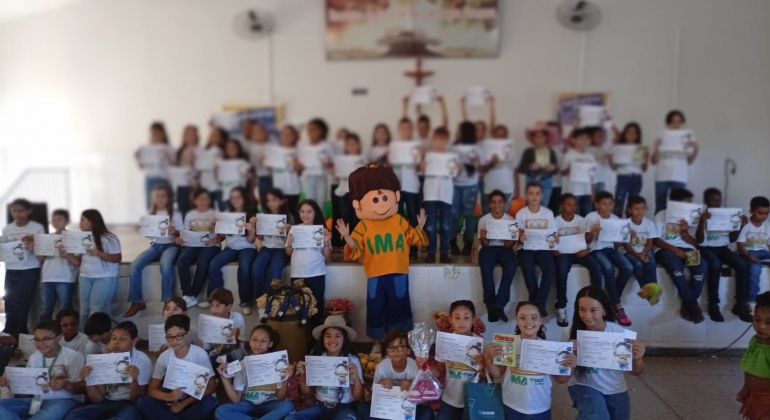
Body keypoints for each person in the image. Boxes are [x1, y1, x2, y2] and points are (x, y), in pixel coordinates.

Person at [336, 165, 427, 355]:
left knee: (399, 307)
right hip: (375, 275)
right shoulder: (364, 225)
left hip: (399, 272)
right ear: (358, 204)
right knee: (375, 308)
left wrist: (419, 226)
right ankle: (377, 343)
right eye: (375, 200)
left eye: (385, 198)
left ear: (396, 196)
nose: (381, 204)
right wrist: (346, 236)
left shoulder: (399, 221)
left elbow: (412, 237)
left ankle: (398, 343)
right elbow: (356, 247)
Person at [485, 301, 577, 419]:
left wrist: (571, 365)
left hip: (540, 407)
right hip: (511, 404)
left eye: (534, 317)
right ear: (517, 320)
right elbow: (497, 373)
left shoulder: (550, 348)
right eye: (523, 317)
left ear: (540, 320)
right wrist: (488, 356)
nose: (528, 321)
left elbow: (561, 379)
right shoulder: (508, 344)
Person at [566, 286, 646, 420]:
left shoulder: (618, 333)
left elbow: (636, 371)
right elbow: (563, 372)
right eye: (582, 309)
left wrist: (637, 359)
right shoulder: (571, 332)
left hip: (616, 388)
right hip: (583, 385)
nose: (587, 315)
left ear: (604, 310)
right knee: (597, 417)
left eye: (593, 310)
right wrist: (570, 358)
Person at [64, 321, 152, 420]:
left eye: (123, 339)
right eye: (113, 338)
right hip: (108, 402)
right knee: (74, 415)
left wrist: (134, 380)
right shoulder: (104, 359)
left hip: (130, 404)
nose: (116, 342)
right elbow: (97, 399)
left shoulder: (142, 360)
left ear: (134, 341)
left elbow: (137, 398)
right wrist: (88, 381)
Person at [0, 320, 85, 420]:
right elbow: (26, 392)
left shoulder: (74, 356)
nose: (40, 343)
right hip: (37, 400)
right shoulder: (34, 358)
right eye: (36, 339)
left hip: (64, 400)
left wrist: (66, 385)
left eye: (46, 339)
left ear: (58, 338)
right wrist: (11, 384)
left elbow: (82, 389)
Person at [137, 314, 217, 420]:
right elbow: (151, 390)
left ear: (187, 334)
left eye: (179, 335)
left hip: (194, 399)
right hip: (173, 396)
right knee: (143, 402)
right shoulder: (164, 357)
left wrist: (183, 404)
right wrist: (168, 396)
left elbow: (211, 387)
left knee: (210, 402)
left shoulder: (200, 354)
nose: (174, 341)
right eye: (170, 337)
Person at [416, 301, 482, 420]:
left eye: (466, 317)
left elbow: (487, 376)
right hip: (450, 399)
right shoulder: (445, 342)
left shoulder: (481, 344)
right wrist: (426, 366)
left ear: (473, 319)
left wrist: (482, 367)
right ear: (451, 320)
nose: (462, 321)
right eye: (457, 317)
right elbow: (439, 371)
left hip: (473, 398)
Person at [124, 185, 184, 317]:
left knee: (166, 265)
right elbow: (150, 235)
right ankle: (136, 301)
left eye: (163, 196)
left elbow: (182, 234)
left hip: (171, 245)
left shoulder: (176, 214)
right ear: (153, 199)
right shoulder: (150, 214)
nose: (160, 199)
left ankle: (168, 299)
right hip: (156, 245)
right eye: (157, 196)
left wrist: (175, 231)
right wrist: (142, 230)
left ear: (168, 198)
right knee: (135, 265)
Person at [288, 316, 363, 420]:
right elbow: (306, 393)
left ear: (344, 338)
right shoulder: (317, 357)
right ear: (322, 338)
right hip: (321, 405)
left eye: (338, 336)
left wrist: (356, 378)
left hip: (345, 407)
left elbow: (358, 397)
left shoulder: (352, 360)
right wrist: (303, 374)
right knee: (291, 418)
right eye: (328, 336)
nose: (332, 340)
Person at [214, 325, 295, 420]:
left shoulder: (277, 362)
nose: (258, 344)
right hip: (248, 405)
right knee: (221, 411)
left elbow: (281, 397)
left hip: (270, 405)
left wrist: (285, 379)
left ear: (270, 344)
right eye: (254, 340)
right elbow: (236, 399)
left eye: (263, 341)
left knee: (287, 406)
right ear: (250, 341)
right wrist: (223, 377)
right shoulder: (243, 364)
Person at [653, 188, 708, 323]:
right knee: (675, 266)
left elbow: (696, 242)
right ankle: (693, 305)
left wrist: (684, 232)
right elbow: (655, 240)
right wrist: (674, 249)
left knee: (702, 266)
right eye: (686, 203)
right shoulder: (661, 215)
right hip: (665, 249)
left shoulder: (693, 216)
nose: (689, 205)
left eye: (690, 202)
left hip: (687, 249)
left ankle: (688, 304)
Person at [698, 188, 752, 322]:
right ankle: (713, 305)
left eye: (719, 200)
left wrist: (739, 226)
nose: (717, 203)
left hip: (722, 248)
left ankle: (740, 304)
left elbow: (731, 239)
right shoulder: (699, 215)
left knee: (742, 265)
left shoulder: (726, 215)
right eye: (713, 200)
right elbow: (699, 240)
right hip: (705, 248)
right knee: (715, 265)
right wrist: (701, 222)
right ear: (706, 201)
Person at [356, 329, 434, 420]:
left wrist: (414, 388)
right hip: (387, 407)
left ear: (408, 350)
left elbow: (425, 402)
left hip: (408, 408)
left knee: (427, 413)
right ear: (386, 350)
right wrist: (380, 385)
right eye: (391, 347)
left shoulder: (415, 366)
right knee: (362, 408)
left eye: (400, 347)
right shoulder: (381, 367)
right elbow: (373, 398)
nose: (395, 351)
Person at [584, 191, 635, 326]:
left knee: (628, 267)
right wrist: (593, 233)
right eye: (604, 203)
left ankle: (611, 298)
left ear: (613, 204)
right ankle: (618, 306)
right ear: (597, 204)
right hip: (595, 249)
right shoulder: (591, 217)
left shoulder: (615, 219)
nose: (607, 206)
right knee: (608, 268)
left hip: (611, 249)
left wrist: (628, 237)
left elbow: (616, 243)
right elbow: (586, 240)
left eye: (610, 203)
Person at [553, 193, 603, 327]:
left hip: (580, 252)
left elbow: (587, 239)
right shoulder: (555, 221)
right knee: (562, 270)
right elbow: (549, 239)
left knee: (596, 268)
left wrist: (592, 236)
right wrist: (553, 250)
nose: (572, 207)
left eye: (575, 205)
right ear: (561, 206)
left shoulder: (582, 220)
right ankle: (561, 306)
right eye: (569, 204)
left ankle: (598, 301)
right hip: (563, 253)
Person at [208, 187, 258, 314]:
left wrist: (252, 230)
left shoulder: (251, 214)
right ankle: (215, 299)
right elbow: (222, 234)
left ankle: (245, 301)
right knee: (213, 264)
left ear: (244, 198)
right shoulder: (226, 214)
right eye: (232, 197)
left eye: (238, 197)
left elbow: (251, 240)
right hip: (230, 247)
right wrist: (214, 224)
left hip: (247, 247)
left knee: (244, 267)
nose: (235, 200)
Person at [2, 198, 45, 338]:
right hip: (11, 269)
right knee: (9, 302)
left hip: (29, 268)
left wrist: (33, 245)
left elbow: (44, 250)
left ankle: (11, 334)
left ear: (28, 211)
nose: (17, 214)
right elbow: (4, 249)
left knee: (22, 303)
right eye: (14, 211)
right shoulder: (7, 229)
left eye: (21, 211)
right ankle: (18, 335)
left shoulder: (37, 227)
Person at [287, 199, 332, 327]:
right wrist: (289, 242)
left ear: (315, 213)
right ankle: (301, 337)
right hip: (297, 273)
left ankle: (315, 337)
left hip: (316, 273)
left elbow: (328, 256)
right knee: (298, 309)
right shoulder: (295, 229)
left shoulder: (322, 230)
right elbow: (288, 253)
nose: (305, 215)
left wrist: (326, 242)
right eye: (302, 211)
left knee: (316, 309)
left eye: (309, 211)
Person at [74, 210, 122, 325]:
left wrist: (99, 253)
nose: (80, 223)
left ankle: (99, 334)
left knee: (97, 310)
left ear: (92, 222)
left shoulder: (109, 238)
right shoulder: (81, 238)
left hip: (104, 277)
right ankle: (84, 335)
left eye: (82, 220)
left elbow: (117, 258)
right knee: (84, 310)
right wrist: (66, 254)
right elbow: (77, 261)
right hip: (85, 276)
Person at [419, 127, 459, 263]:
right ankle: (431, 252)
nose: (440, 142)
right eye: (437, 139)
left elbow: (454, 174)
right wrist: (422, 165)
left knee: (445, 225)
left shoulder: (452, 157)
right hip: (430, 194)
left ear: (447, 141)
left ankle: (444, 252)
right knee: (430, 225)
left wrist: (457, 168)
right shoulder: (428, 156)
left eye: (443, 139)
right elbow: (422, 172)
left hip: (446, 194)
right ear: (433, 140)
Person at [516, 183, 557, 317]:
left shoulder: (548, 213)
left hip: (543, 248)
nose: (534, 197)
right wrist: (520, 237)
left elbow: (553, 234)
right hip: (525, 247)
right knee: (527, 269)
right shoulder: (521, 213)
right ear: (526, 196)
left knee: (550, 269)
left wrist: (554, 239)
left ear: (542, 196)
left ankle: (538, 303)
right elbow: (516, 234)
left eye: (537, 193)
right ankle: (538, 305)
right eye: (531, 193)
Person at [176, 188, 220, 309]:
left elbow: (221, 233)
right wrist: (181, 239)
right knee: (182, 261)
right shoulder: (190, 215)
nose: (204, 201)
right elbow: (186, 233)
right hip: (193, 244)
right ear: (194, 200)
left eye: (207, 198)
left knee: (203, 262)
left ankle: (194, 293)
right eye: (201, 199)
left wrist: (215, 227)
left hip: (211, 245)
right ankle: (187, 294)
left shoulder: (215, 213)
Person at [477, 190, 517, 323]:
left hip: (505, 248)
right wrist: (484, 237)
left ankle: (499, 304)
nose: (497, 205)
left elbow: (509, 245)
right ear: (489, 204)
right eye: (493, 202)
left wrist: (512, 238)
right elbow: (484, 244)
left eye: (500, 202)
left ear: (504, 204)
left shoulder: (511, 220)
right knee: (486, 267)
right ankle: (490, 304)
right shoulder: (484, 220)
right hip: (488, 248)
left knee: (511, 266)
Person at [651, 110, 699, 213]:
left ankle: (675, 224)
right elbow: (653, 161)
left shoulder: (687, 138)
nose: (676, 124)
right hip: (662, 176)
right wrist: (657, 147)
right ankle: (659, 223)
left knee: (678, 206)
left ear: (682, 123)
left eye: (679, 122)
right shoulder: (661, 136)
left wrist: (696, 148)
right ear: (668, 123)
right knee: (660, 205)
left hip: (679, 176)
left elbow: (689, 161)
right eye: (673, 122)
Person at [388, 118, 422, 261]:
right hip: (397, 188)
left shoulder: (416, 145)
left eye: (408, 128)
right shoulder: (394, 145)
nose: (405, 130)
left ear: (411, 129)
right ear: (399, 129)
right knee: (397, 218)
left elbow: (420, 166)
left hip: (412, 187)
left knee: (414, 217)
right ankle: (399, 246)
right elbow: (390, 166)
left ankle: (413, 248)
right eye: (403, 128)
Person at [251, 188, 294, 298]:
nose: (271, 203)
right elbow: (260, 237)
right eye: (268, 200)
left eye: (274, 200)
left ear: (281, 201)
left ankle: (268, 297)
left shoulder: (288, 217)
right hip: (266, 247)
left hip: (281, 249)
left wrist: (289, 230)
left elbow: (292, 240)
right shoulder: (263, 216)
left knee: (275, 270)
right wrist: (255, 227)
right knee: (256, 267)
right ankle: (258, 297)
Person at [621, 195, 663, 306]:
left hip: (644, 250)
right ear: (629, 210)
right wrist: (638, 255)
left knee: (651, 262)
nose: (639, 211)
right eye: (636, 208)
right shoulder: (625, 224)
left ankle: (652, 290)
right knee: (638, 265)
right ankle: (647, 290)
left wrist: (643, 253)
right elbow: (626, 245)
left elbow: (650, 243)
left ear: (646, 209)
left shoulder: (649, 223)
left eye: (642, 208)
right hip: (629, 252)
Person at [39, 209, 78, 321]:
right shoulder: (47, 237)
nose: (56, 222)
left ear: (67, 221)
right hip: (47, 278)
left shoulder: (73, 237)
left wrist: (67, 255)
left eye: (59, 219)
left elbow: (77, 262)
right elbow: (42, 259)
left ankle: (65, 331)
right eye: (54, 220)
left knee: (66, 310)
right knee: (46, 309)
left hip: (65, 278)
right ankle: (45, 331)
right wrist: (36, 250)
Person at [736, 291, 770, 420]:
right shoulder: (755, 341)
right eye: (757, 320)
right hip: (754, 395)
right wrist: (747, 388)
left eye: (768, 322)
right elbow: (751, 369)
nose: (761, 326)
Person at [449, 121, 481, 256]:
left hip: (470, 185)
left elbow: (480, 166)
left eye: (459, 130)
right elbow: (448, 165)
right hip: (455, 185)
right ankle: (452, 241)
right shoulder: (453, 147)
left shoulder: (476, 148)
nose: (456, 132)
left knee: (469, 215)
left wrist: (472, 163)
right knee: (453, 214)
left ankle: (468, 242)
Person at [332, 132, 366, 247]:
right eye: (349, 144)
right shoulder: (340, 159)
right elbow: (336, 175)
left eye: (354, 144)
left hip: (357, 193)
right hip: (343, 192)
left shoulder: (362, 159)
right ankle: (347, 245)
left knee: (356, 218)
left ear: (358, 145)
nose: (351, 147)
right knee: (346, 218)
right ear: (345, 146)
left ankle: (356, 244)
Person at [737, 196, 770, 314]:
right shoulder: (746, 225)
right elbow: (740, 246)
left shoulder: (768, 225)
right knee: (755, 270)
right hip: (749, 253)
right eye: (760, 213)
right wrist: (747, 255)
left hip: (763, 252)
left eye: (767, 213)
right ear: (751, 211)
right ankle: (752, 301)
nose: (764, 216)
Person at [202, 288, 247, 369]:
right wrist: (201, 343)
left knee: (237, 354)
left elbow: (236, 347)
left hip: (233, 352)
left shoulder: (236, 318)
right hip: (217, 354)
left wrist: (234, 337)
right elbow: (209, 348)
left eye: (217, 306)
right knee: (206, 357)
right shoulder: (210, 322)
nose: (213, 309)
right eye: (211, 305)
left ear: (228, 306)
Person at [609, 123, 647, 216]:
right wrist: (610, 158)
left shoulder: (640, 148)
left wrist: (645, 158)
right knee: (618, 205)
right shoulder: (618, 147)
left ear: (638, 135)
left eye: (634, 133)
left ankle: (630, 224)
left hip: (636, 178)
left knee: (633, 206)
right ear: (624, 134)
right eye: (629, 132)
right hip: (622, 178)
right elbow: (614, 167)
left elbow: (644, 168)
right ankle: (617, 223)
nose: (631, 135)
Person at [134, 121, 174, 209]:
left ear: (163, 134)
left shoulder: (168, 148)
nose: (155, 135)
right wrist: (137, 158)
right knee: (151, 204)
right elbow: (141, 166)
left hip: (163, 179)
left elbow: (174, 165)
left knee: (165, 205)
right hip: (150, 179)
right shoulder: (145, 148)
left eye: (158, 133)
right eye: (153, 133)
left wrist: (167, 157)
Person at [519, 121, 559, 207]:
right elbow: (521, 169)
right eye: (536, 137)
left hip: (546, 181)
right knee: (531, 205)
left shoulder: (550, 151)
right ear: (533, 138)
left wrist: (553, 168)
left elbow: (556, 170)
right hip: (531, 181)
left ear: (546, 138)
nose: (539, 139)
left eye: (541, 137)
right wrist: (530, 167)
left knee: (544, 205)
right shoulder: (528, 151)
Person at [298, 118, 332, 211]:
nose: (311, 133)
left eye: (314, 130)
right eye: (309, 130)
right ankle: (311, 221)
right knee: (310, 204)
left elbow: (332, 164)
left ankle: (321, 220)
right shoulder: (304, 147)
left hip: (321, 177)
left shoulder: (326, 146)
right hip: (308, 177)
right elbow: (300, 166)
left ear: (321, 131)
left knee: (321, 204)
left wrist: (327, 163)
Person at [561, 128, 597, 217]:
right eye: (581, 138)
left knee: (587, 214)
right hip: (573, 190)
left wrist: (593, 192)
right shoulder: (569, 155)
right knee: (571, 214)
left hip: (587, 191)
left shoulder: (590, 156)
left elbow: (593, 176)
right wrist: (571, 167)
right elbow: (563, 172)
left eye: (587, 138)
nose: (584, 141)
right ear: (573, 140)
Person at [270, 125, 302, 214]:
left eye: (289, 135)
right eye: (284, 134)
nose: (286, 137)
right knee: (279, 213)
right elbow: (270, 170)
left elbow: (300, 172)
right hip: (279, 188)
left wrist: (295, 163)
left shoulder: (298, 150)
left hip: (293, 188)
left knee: (292, 212)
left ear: (294, 136)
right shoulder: (275, 150)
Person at [217, 139, 253, 210]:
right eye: (229, 148)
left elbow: (249, 177)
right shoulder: (221, 163)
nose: (231, 150)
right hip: (227, 195)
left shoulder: (243, 162)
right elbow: (219, 180)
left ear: (238, 149)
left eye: (233, 148)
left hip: (240, 196)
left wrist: (244, 173)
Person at [173, 124, 200, 216]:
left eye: (192, 134)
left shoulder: (200, 150)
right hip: (181, 185)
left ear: (197, 136)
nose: (190, 136)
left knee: (195, 211)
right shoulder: (179, 152)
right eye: (187, 134)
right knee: (183, 211)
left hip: (195, 185)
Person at [198, 126, 227, 211]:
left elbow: (220, 165)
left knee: (223, 210)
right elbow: (199, 166)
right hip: (206, 186)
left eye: (216, 135)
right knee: (208, 211)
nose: (213, 137)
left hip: (219, 186)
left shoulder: (223, 151)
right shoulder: (203, 151)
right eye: (212, 135)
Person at [248, 121, 273, 211]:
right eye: (255, 132)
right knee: (264, 203)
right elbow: (253, 169)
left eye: (260, 131)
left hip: (274, 178)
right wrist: (252, 186)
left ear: (265, 132)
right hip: (262, 179)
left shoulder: (272, 146)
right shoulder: (252, 149)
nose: (258, 134)